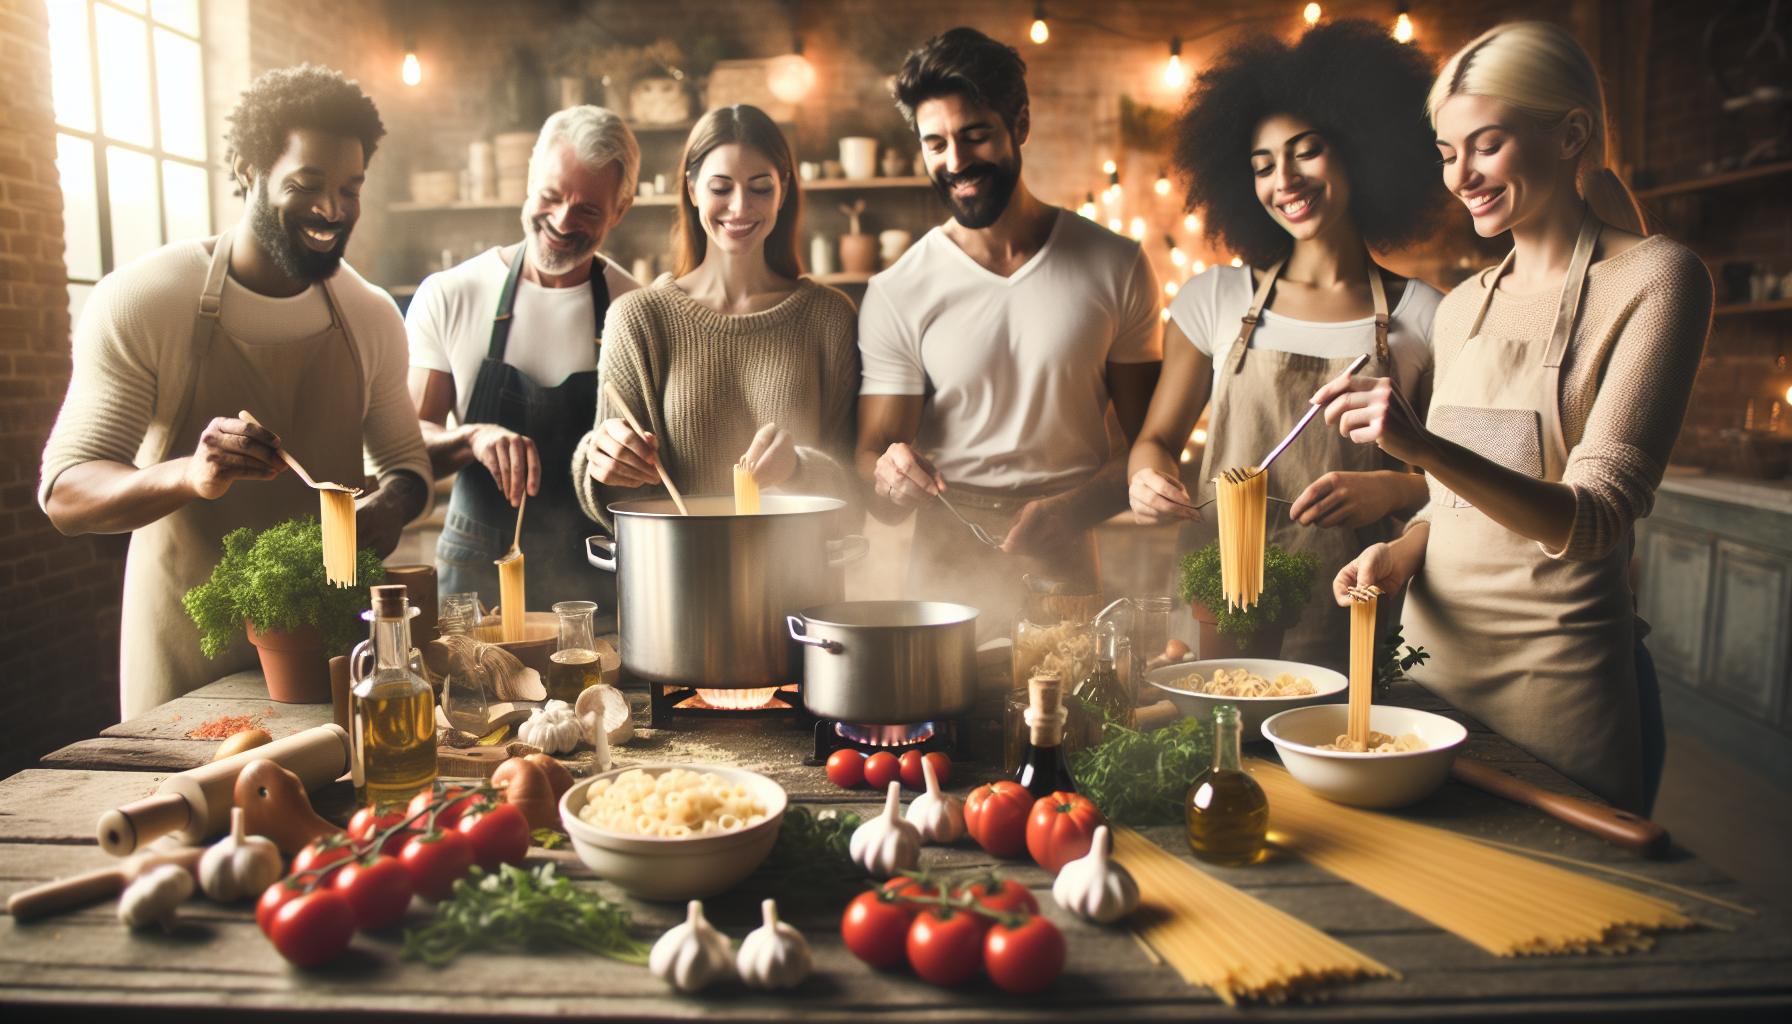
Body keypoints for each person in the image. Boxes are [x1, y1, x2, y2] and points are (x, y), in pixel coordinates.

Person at [1318, 22, 1713, 814]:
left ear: (1570, 135)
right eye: (1446, 151)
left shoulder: (1658, 281)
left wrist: (1422, 446)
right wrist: (1404, 549)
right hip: (1428, 681)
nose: (1461, 175)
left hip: (1556, 697)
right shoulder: (1463, 307)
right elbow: (1465, 500)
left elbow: (1595, 519)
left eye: (1486, 145)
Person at [39, 66, 431, 717]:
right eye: (306, 186)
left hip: (325, 668)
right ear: (248, 170)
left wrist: (385, 513)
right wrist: (188, 475)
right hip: (186, 671)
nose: (333, 210)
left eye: (350, 189)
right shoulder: (147, 300)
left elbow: (408, 467)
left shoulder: (369, 315)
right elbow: (66, 492)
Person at [1127, 20, 1444, 670]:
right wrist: (1145, 480)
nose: (1285, 180)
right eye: (1262, 166)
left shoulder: (1425, 316)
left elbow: (1456, 490)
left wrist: (1390, 489)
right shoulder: (1214, 299)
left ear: (1360, 148)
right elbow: (1156, 439)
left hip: (1353, 626)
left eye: (1306, 151)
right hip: (1214, 623)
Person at [859, 28, 1163, 626]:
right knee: (940, 718)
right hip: (943, 558)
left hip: (1067, 554)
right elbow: (873, 455)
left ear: (1019, 124)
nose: (956, 162)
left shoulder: (1116, 264)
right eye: (935, 143)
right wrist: (890, 477)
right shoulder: (898, 289)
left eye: (975, 136)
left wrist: (1072, 511)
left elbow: (1149, 445)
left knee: (1073, 716)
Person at [575, 105, 858, 527]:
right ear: (692, 190)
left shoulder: (830, 317)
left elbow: (854, 496)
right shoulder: (638, 318)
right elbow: (614, 500)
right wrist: (601, 461)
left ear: (784, 190)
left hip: (801, 579)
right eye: (720, 188)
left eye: (760, 187)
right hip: (677, 577)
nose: (740, 206)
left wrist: (797, 469)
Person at [408, 106, 640, 610]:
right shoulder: (451, 294)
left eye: (588, 211)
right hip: (476, 584)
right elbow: (404, 447)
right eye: (551, 196)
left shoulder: (634, 309)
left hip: (596, 587)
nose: (561, 221)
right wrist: (473, 436)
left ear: (620, 210)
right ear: (528, 181)